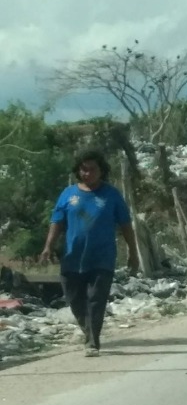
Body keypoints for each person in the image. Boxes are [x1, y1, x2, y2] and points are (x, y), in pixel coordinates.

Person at [38, 149, 141, 357]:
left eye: (92, 169)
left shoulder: (111, 195)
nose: (87, 173)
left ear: (101, 170)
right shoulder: (68, 194)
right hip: (72, 257)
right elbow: (56, 222)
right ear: (78, 171)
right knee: (74, 298)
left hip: (102, 257)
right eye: (83, 170)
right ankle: (88, 331)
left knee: (96, 298)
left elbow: (125, 225)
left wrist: (133, 252)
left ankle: (93, 341)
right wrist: (48, 246)